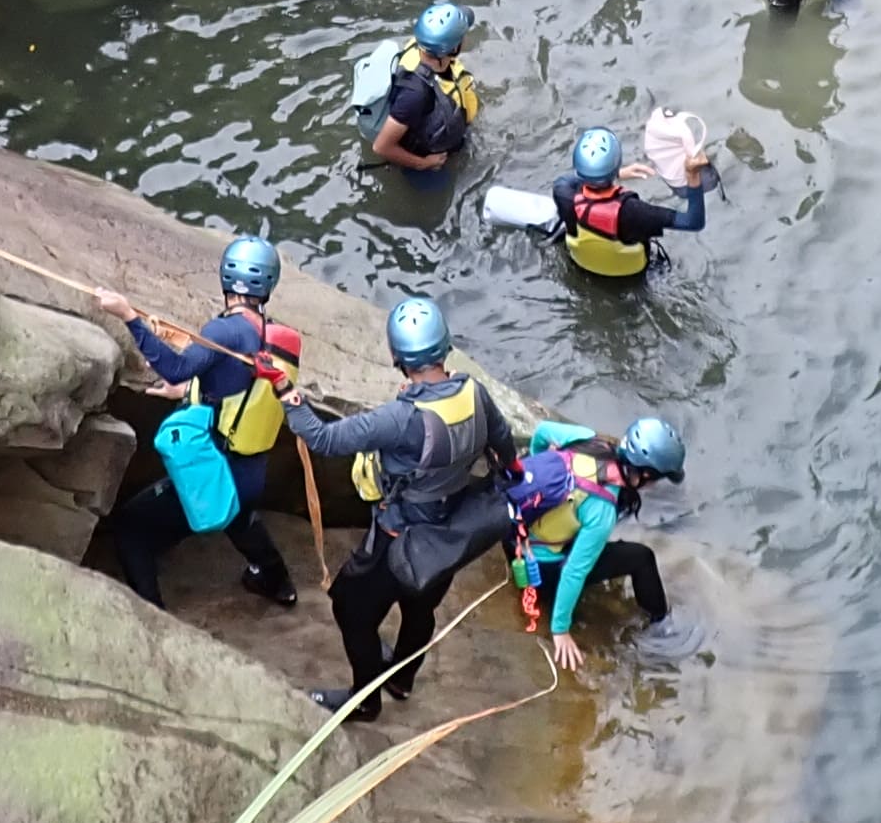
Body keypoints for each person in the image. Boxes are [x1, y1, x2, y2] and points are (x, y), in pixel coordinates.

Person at [292, 296, 516, 722]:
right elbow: (503, 445)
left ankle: (365, 700)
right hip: (447, 537)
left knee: (349, 609)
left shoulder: (400, 418)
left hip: (397, 539)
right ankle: (402, 678)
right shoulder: (474, 392)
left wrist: (289, 398)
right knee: (421, 608)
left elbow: (323, 439)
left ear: (397, 356)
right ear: (445, 346)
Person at [91, 235, 302, 609]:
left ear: (225, 279)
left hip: (216, 472)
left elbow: (173, 368)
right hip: (251, 472)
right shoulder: (269, 336)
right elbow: (238, 389)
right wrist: (187, 392)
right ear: (268, 285)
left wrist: (128, 316)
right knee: (239, 517)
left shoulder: (224, 331)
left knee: (131, 528)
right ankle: (277, 583)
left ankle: (153, 620)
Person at [505, 416, 687, 673]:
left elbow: (543, 432)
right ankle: (661, 627)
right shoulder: (602, 510)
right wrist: (560, 630)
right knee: (641, 558)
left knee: (583, 533)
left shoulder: (585, 438)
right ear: (645, 474)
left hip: (512, 533)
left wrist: (538, 470)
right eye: (658, 478)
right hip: (539, 572)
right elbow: (574, 571)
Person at [552, 123, 717, 280]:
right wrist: (692, 175)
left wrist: (614, 174)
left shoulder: (563, 194)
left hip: (583, 267)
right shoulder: (636, 212)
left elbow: (570, 179)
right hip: (632, 277)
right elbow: (693, 222)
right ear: (616, 163)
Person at [371, 0, 481, 178]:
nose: (465, 37)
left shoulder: (424, 46)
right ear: (453, 48)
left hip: (443, 127)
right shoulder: (415, 95)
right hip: (428, 158)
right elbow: (381, 146)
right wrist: (424, 164)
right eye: (462, 35)